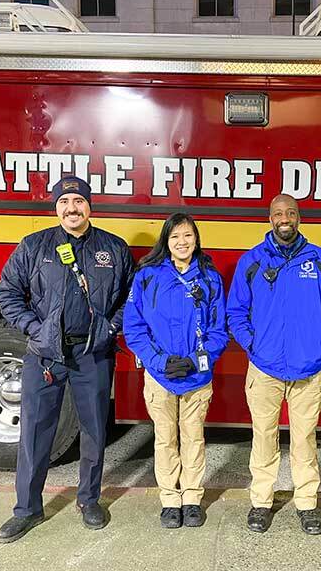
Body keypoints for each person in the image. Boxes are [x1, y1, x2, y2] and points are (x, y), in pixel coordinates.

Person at [0, 175, 134, 543]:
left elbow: (131, 297)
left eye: (79, 201)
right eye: (64, 202)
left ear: (90, 205)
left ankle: (89, 500)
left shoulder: (114, 249)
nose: (72, 208)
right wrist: (34, 329)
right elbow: (7, 293)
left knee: (94, 430)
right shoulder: (34, 247)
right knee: (36, 433)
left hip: (93, 355)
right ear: (56, 208)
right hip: (46, 356)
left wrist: (110, 327)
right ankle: (26, 509)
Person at [226, 194, 321, 535]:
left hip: (308, 371)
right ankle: (261, 502)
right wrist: (253, 346)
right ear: (269, 218)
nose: (285, 218)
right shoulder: (252, 261)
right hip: (264, 369)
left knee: (304, 441)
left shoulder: (320, 261)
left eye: (291, 213)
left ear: (299, 218)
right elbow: (235, 312)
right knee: (263, 438)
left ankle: (306, 503)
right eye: (279, 213)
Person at [123, 213, 228, 529]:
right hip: (160, 376)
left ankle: (192, 498)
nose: (182, 242)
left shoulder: (210, 278)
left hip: (197, 377)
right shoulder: (147, 276)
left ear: (196, 239)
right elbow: (134, 326)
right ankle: (170, 499)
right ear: (165, 242)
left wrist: (198, 361)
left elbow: (219, 330)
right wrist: (159, 361)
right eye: (175, 237)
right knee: (165, 439)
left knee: (194, 438)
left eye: (188, 236)